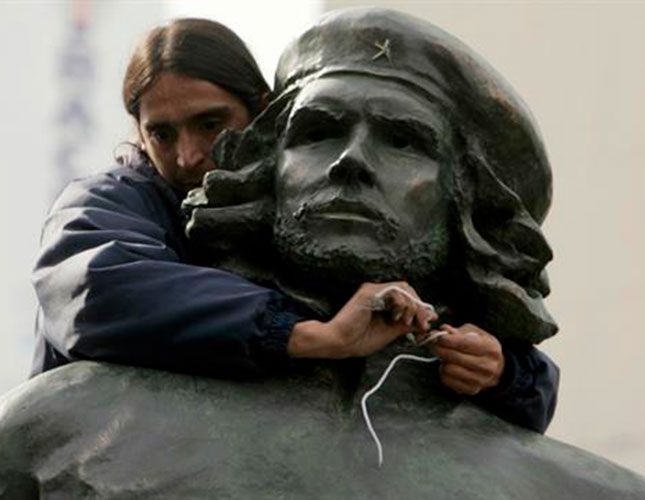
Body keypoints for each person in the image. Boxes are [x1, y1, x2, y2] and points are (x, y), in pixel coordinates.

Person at [32, 17, 556, 432]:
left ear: (262, 117)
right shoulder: (117, 203)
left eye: (211, 124)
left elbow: (510, 350)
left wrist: (505, 372)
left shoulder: (326, 224)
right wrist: (310, 334)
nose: (189, 156)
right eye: (161, 135)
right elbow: (97, 287)